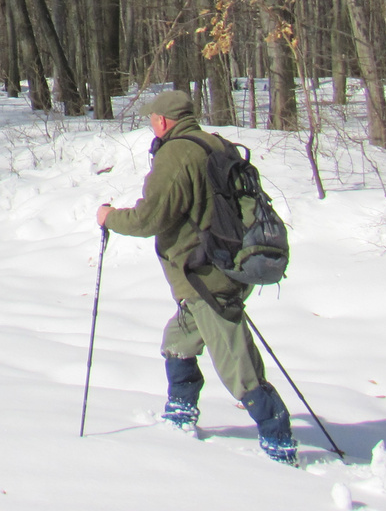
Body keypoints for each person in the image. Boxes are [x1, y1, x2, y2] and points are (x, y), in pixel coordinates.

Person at [96, 89, 298, 465]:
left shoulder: (176, 154)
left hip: (206, 275)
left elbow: (149, 218)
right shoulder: (216, 144)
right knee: (179, 339)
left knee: (237, 363)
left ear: (162, 121)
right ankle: (181, 413)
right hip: (223, 265)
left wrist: (110, 217)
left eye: (152, 119)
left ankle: (278, 438)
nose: (150, 125)